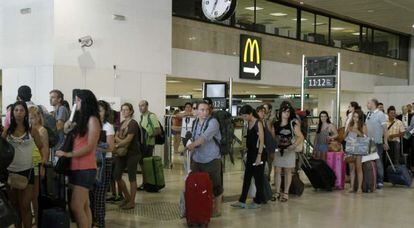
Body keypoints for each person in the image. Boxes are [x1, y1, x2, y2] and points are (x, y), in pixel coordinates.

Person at [56, 89, 100, 228]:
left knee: (76, 206)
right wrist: (67, 128)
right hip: (77, 167)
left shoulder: (93, 120)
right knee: (84, 205)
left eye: (78, 100)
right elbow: (73, 139)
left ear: (85, 102)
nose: (76, 102)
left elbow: (90, 146)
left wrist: (68, 155)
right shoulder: (81, 119)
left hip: (85, 168)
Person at [1, 101, 49, 228]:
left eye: (21, 110)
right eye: (16, 110)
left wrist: (42, 163)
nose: (18, 113)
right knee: (14, 206)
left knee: (25, 205)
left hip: (28, 171)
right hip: (10, 173)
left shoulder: (31, 130)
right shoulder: (7, 131)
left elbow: (40, 146)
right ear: (12, 113)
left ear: (25, 113)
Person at [186, 100, 223, 216]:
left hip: (212, 159)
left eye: (207, 110)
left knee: (216, 185)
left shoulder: (213, 122)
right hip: (197, 158)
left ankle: (217, 210)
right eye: (202, 110)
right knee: (197, 184)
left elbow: (204, 138)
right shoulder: (196, 121)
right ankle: (201, 207)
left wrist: (192, 145)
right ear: (196, 111)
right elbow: (194, 136)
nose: (205, 112)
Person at [231, 105, 265, 209]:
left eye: (245, 116)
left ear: (251, 114)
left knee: (258, 178)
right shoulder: (248, 122)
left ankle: (258, 201)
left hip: (258, 154)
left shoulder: (258, 123)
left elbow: (262, 141)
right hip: (250, 153)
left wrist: (259, 156)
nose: (244, 118)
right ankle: (242, 200)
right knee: (247, 178)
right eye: (243, 116)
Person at [90, 100, 115, 228]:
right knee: (92, 195)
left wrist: (94, 147)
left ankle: (99, 222)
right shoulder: (92, 125)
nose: (98, 112)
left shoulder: (107, 126)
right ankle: (93, 221)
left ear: (106, 112)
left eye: (100, 110)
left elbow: (111, 148)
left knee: (99, 195)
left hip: (105, 163)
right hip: (92, 162)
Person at [273, 102, 304, 202]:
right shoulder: (276, 124)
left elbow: (300, 136)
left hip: (289, 150)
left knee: (287, 171)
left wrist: (293, 145)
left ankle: (286, 192)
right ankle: (277, 192)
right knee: (277, 170)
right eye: (284, 111)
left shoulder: (293, 124)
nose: (286, 113)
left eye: (288, 112)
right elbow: (273, 137)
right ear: (280, 112)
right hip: (279, 150)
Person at [113, 103, 140, 210]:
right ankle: (127, 197)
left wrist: (118, 143)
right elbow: (116, 136)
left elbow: (128, 140)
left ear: (131, 111)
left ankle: (132, 201)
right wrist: (121, 142)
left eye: (126, 110)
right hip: (121, 153)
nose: (124, 112)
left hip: (132, 154)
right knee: (117, 175)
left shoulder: (133, 123)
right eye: (122, 110)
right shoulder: (122, 123)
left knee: (132, 178)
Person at [28, 106, 50, 227]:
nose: (31, 120)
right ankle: (34, 217)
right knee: (30, 195)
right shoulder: (29, 130)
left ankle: (37, 219)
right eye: (29, 118)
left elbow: (45, 149)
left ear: (38, 117)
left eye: (33, 118)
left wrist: (43, 166)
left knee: (35, 196)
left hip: (38, 163)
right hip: (29, 163)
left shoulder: (42, 130)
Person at [366, 98, 389, 189]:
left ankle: (380, 181)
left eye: (368, 103)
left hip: (377, 143)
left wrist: (385, 142)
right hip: (369, 142)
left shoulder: (380, 114)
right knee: (370, 162)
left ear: (373, 104)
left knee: (378, 162)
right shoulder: (368, 114)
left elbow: (385, 129)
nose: (367, 104)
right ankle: (372, 179)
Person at [138, 100, 161, 190]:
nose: (140, 107)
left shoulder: (151, 116)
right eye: (139, 106)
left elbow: (158, 130)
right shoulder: (142, 117)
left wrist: (148, 135)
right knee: (143, 165)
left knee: (146, 165)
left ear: (147, 106)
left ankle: (147, 183)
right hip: (142, 145)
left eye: (142, 105)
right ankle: (145, 183)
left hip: (148, 145)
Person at [345, 110, 367, 194]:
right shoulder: (350, 125)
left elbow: (365, 137)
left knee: (358, 168)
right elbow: (344, 137)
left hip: (359, 148)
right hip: (350, 147)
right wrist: (347, 130)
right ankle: (351, 187)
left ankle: (359, 188)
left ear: (360, 118)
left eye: (357, 117)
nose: (355, 118)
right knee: (351, 168)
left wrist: (357, 131)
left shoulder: (363, 125)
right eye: (354, 116)